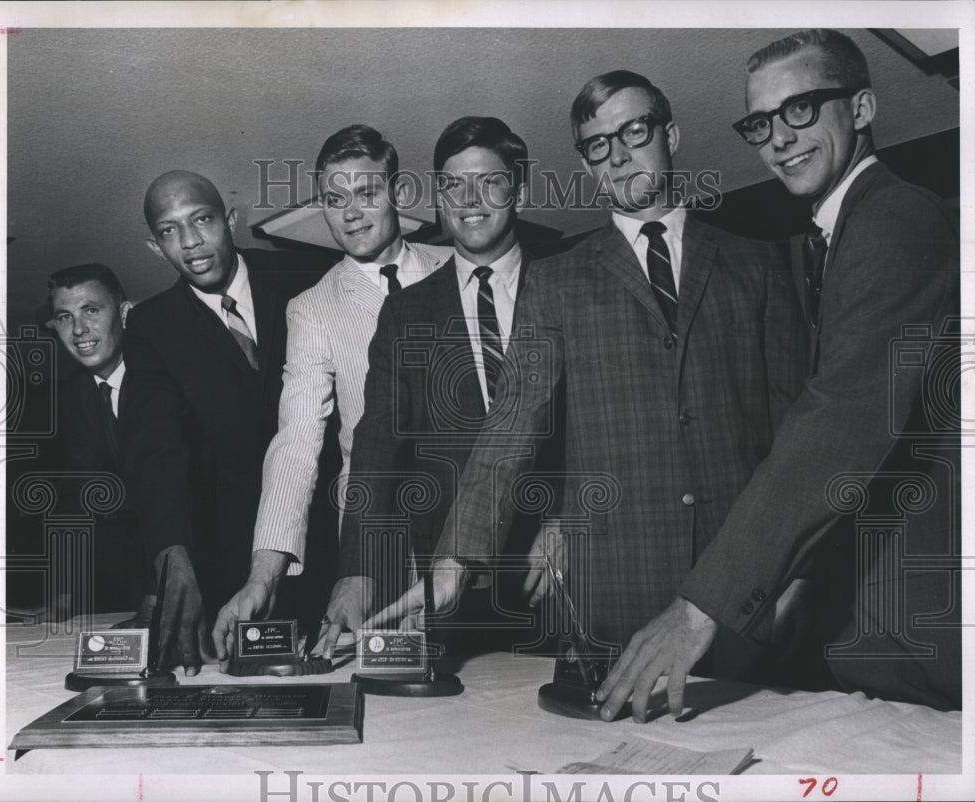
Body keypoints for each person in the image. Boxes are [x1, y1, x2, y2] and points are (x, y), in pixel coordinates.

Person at [369, 71, 806, 685]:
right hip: (618, 605)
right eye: (598, 144)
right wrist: (455, 564)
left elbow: (800, 439)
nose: (618, 154)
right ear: (587, 164)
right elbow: (509, 428)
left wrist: (797, 573)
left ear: (671, 136)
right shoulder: (557, 283)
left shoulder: (756, 264)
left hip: (745, 596)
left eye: (634, 131)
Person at [597, 29, 961, 718]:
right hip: (877, 622)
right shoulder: (842, 232)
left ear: (861, 108)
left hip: (924, 624)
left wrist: (700, 606)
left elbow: (839, 419)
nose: (778, 139)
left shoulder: (894, 218)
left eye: (800, 109)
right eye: (760, 123)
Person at [211, 126, 452, 665]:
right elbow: (296, 443)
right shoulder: (312, 308)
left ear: (398, 192)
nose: (351, 214)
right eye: (335, 200)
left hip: (469, 519)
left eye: (366, 193)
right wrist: (262, 576)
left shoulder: (456, 268)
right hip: (374, 538)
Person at [321, 117, 556, 657]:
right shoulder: (405, 312)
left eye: (489, 182)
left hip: (555, 570)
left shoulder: (570, 284)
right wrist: (357, 571)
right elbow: (376, 447)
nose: (469, 200)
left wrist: (565, 519)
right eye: (452, 185)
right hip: (450, 589)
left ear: (519, 191)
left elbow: (600, 424)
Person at [120, 170, 331, 674]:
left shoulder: (307, 274)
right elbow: (155, 449)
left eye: (202, 220)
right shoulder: (150, 326)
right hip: (233, 571)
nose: (190, 242)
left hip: (331, 543)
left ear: (230, 219)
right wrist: (173, 556)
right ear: (154, 247)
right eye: (169, 230)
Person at [45, 263, 148, 614]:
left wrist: (158, 594)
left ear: (124, 313)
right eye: (64, 317)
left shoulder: (168, 378)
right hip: (116, 580)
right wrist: (63, 598)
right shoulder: (69, 397)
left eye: (91, 310)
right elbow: (72, 497)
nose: (78, 330)